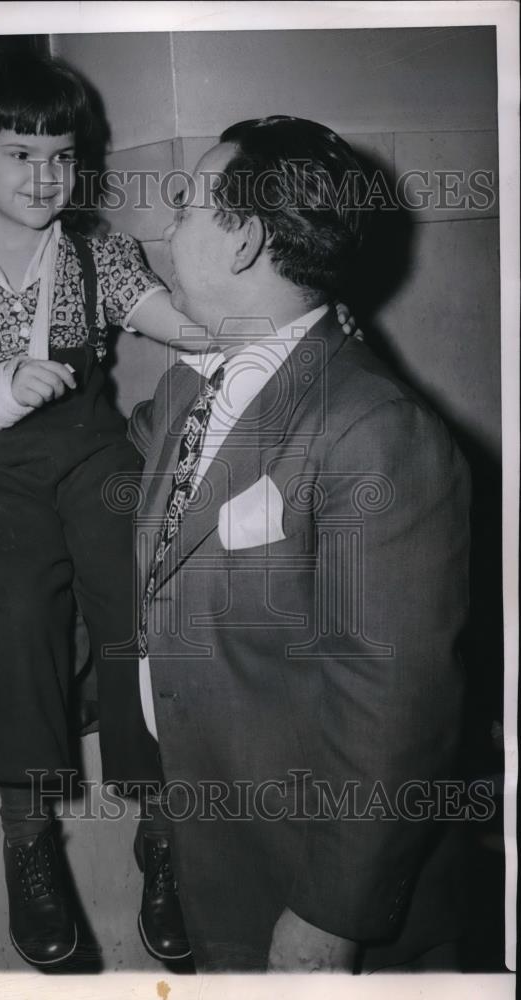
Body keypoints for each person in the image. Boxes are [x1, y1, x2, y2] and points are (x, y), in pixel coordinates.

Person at [0, 50, 356, 968]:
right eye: (19, 153)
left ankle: (164, 829)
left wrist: (292, 330)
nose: (46, 174)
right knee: (12, 618)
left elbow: (197, 328)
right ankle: (25, 835)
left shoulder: (103, 256)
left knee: (141, 600)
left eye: (60, 153)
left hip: (92, 453)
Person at [129, 116, 471, 972]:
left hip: (314, 890)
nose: (166, 225)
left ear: (242, 240)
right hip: (221, 848)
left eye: (185, 205)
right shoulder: (184, 392)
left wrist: (328, 918)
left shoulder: (374, 430)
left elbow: (394, 708)